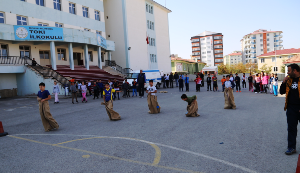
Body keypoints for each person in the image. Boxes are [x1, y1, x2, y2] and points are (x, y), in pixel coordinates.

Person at [279, 64, 300, 155]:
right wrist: (283, 82)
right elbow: (282, 92)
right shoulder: (289, 80)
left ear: (295, 70)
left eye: (289, 70)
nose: (287, 72)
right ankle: (291, 147)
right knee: (291, 129)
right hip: (291, 108)